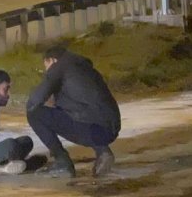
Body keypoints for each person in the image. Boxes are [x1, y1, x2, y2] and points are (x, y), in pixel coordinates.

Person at [26, 47, 121, 178]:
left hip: (94, 130)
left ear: (52, 60)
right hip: (110, 128)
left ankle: (62, 162)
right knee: (73, 111)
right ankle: (103, 151)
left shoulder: (59, 66)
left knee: (35, 114)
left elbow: (35, 100)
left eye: (46, 66)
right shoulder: (83, 67)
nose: (47, 71)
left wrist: (32, 105)